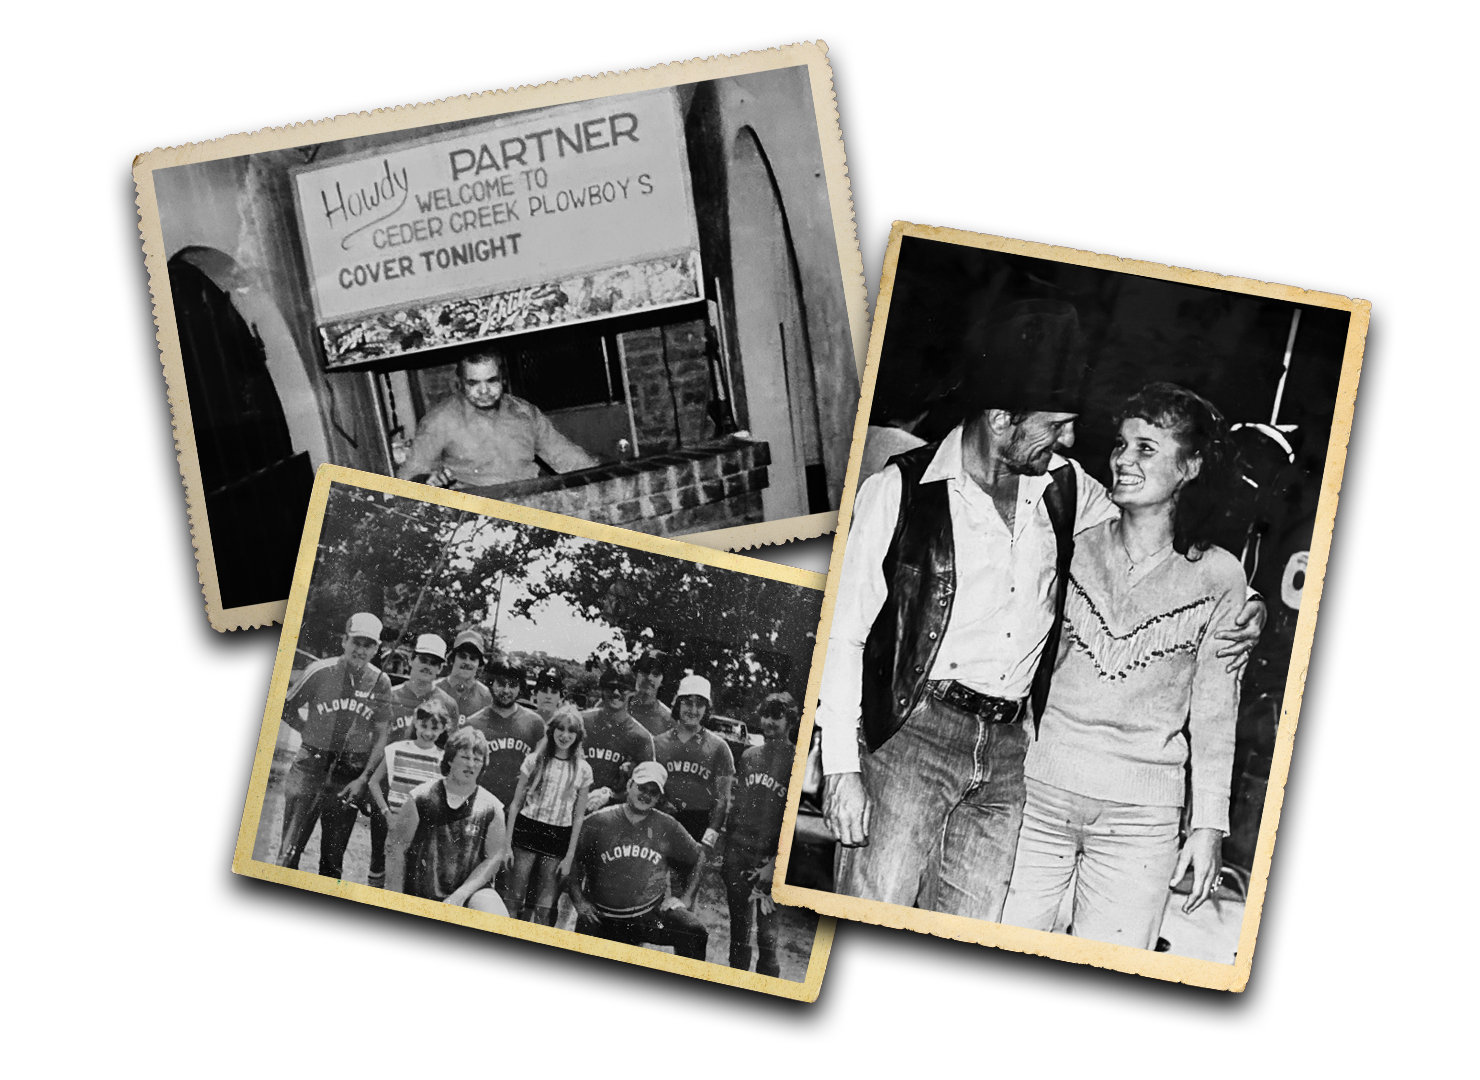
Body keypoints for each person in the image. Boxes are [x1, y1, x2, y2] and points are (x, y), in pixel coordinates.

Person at [817, 299, 1267, 920]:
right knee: (872, 915)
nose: (1073, 442)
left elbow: (1164, 539)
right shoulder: (897, 491)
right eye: (1057, 426)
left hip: (1009, 756)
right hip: (912, 735)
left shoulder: (1064, 487)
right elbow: (843, 635)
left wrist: (1248, 604)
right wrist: (840, 768)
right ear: (1002, 419)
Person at [1001, 384, 1248, 948]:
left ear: (1190, 468)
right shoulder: (1075, 543)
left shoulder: (1220, 576)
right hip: (1038, 793)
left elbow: (1216, 713)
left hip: (1143, 820)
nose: (1122, 459)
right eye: (1120, 444)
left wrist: (1209, 826)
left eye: (1146, 448)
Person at [277, 612, 392, 879]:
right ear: (344, 641)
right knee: (289, 852)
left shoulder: (380, 681)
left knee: (332, 860)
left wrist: (363, 778)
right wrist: (308, 730)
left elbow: (382, 733)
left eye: (368, 645)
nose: (361, 650)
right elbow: (285, 706)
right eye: (356, 642)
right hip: (311, 764)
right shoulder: (320, 670)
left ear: (376, 648)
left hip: (349, 773)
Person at [398, 349, 598, 494]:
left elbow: (565, 456)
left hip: (531, 504)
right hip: (477, 518)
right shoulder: (439, 421)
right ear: (460, 384)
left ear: (503, 379)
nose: (484, 391)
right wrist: (427, 481)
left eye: (491, 380)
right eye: (473, 383)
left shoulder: (524, 412)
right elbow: (407, 480)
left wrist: (601, 476)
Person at [568, 762, 709, 961]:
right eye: (642, 788)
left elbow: (699, 856)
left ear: (659, 797)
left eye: (653, 792)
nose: (646, 795)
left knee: (694, 931)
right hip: (602, 918)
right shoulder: (599, 821)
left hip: (649, 918)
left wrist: (685, 899)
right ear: (629, 786)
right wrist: (578, 900)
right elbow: (571, 858)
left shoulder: (667, 826)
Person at [365, 634, 460, 887]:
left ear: (441, 668)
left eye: (434, 662)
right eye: (423, 659)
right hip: (388, 794)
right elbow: (374, 742)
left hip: (424, 800)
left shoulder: (447, 704)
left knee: (415, 865)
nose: (427, 666)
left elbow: (448, 755)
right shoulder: (392, 695)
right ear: (412, 660)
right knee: (379, 860)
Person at [384, 726, 509, 913]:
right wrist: (395, 897)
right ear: (450, 759)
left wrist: (460, 896)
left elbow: (493, 858)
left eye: (477, 759)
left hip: (466, 892)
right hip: (421, 890)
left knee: (496, 915)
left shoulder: (491, 807)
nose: (471, 765)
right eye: (465, 757)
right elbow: (397, 848)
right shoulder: (421, 797)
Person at [723, 693, 800, 976]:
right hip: (740, 854)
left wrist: (775, 865)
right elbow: (737, 810)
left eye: (777, 715)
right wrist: (729, 857)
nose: (769, 721)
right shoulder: (749, 756)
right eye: (766, 714)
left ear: (790, 720)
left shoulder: (797, 761)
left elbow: (792, 823)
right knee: (739, 933)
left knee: (767, 938)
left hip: (771, 860)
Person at [503, 705, 594, 924]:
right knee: (515, 896)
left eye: (571, 731)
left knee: (544, 906)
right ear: (551, 730)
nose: (565, 735)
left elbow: (578, 816)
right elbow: (516, 804)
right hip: (529, 827)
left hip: (558, 834)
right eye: (560, 729)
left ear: (578, 736)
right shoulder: (534, 760)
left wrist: (569, 856)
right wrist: (507, 845)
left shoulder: (583, 769)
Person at [653, 674, 734, 900]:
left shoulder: (719, 748)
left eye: (700, 704)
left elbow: (723, 799)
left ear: (707, 709)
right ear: (677, 704)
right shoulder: (657, 743)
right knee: (651, 888)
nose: (693, 710)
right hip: (662, 819)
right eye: (688, 702)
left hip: (697, 823)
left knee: (684, 898)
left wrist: (710, 836)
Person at [461, 656, 545, 811]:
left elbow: (541, 770)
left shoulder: (536, 724)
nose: (506, 690)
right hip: (480, 808)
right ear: (490, 683)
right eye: (500, 684)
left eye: (512, 685)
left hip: (520, 811)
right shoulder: (472, 724)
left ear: (521, 687)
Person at [581, 668, 656, 812]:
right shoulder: (582, 722)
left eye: (622, 689)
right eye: (610, 687)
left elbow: (649, 787)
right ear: (602, 690)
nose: (616, 693)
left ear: (633, 692)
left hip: (613, 813)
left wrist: (611, 795)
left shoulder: (641, 736)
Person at [368, 697, 452, 820]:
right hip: (397, 820)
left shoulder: (443, 758)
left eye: (434, 728)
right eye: (424, 726)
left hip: (426, 823)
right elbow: (373, 782)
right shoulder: (396, 749)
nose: (428, 733)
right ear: (415, 722)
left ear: (443, 728)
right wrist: (386, 812)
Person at [437, 629, 494, 725]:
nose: (467, 662)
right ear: (453, 658)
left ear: (479, 663)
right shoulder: (436, 688)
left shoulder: (485, 695)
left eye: (473, 658)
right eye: (462, 656)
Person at [629, 653, 672, 736]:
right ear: (636, 674)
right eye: (645, 671)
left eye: (655, 674)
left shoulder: (668, 719)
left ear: (662, 680)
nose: (649, 678)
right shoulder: (619, 705)